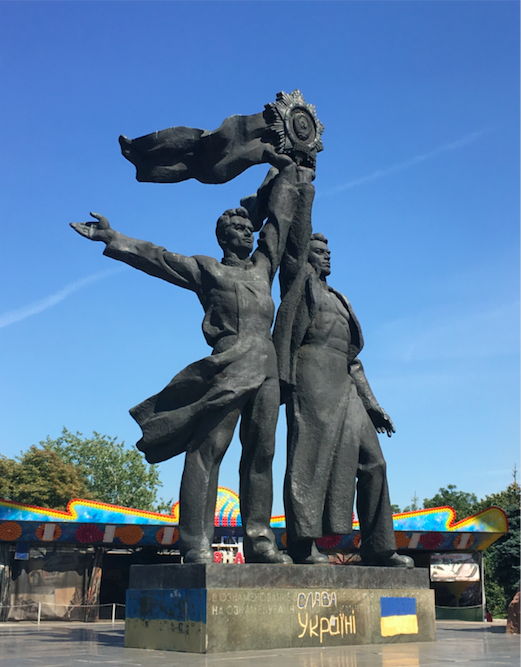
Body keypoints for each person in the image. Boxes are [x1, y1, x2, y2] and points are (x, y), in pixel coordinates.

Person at [71, 162, 301, 564]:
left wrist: (289, 173)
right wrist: (115, 238)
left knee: (261, 452)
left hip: (267, 366)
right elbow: (157, 257)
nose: (246, 233)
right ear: (221, 237)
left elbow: (278, 225)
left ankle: (260, 539)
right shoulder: (206, 268)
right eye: (237, 229)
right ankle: (195, 542)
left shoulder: (264, 269)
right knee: (209, 448)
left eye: (249, 229)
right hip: (229, 363)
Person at [273, 187, 413, 568]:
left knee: (374, 464)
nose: (328, 254)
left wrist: (373, 404)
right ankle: (302, 545)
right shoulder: (299, 283)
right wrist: (301, 187)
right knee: (309, 461)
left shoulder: (340, 299)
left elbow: (355, 361)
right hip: (311, 379)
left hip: (345, 383)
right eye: (320, 250)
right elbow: (295, 239)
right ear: (306, 256)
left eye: (329, 250)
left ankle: (379, 546)